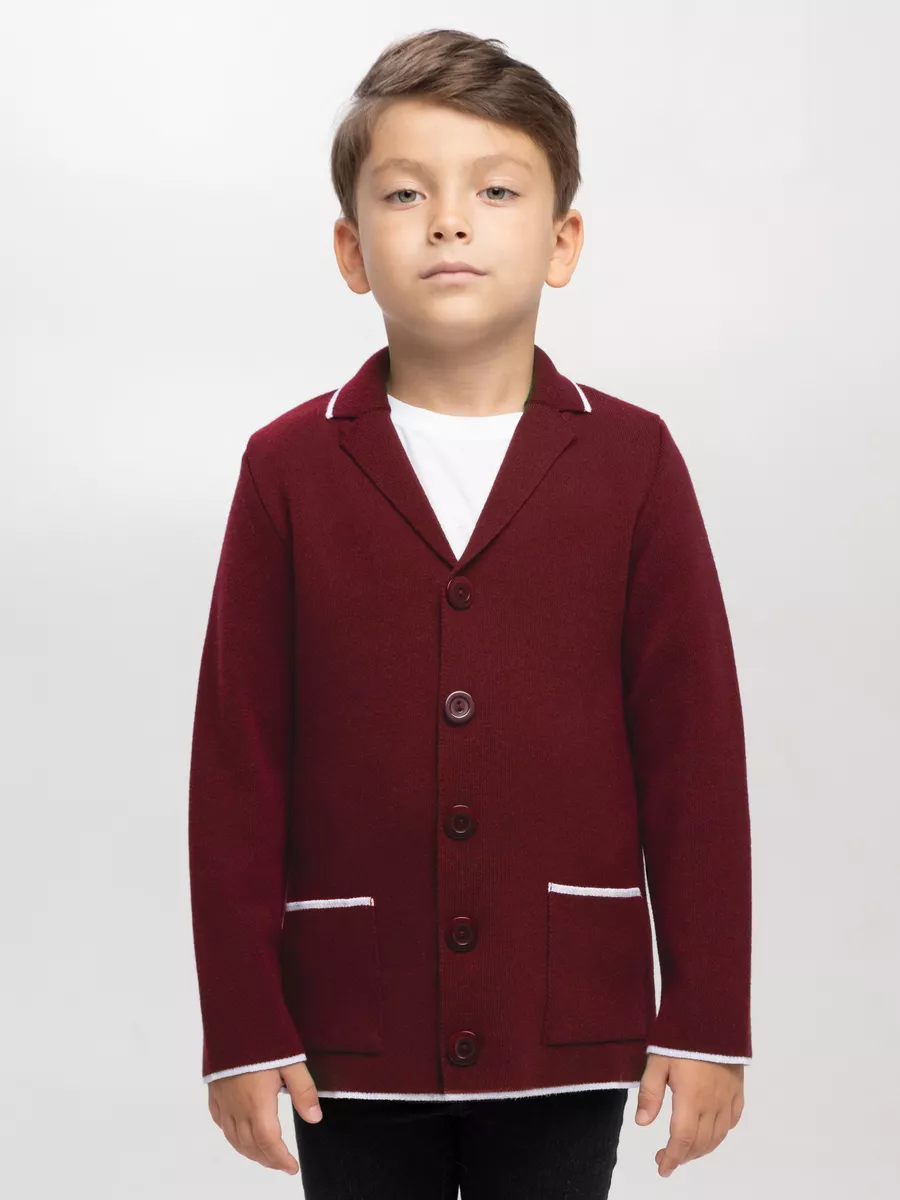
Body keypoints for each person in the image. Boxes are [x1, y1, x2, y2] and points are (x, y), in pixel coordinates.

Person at [187, 26, 752, 1198]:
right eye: (406, 194)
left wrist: (707, 1013)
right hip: (351, 1020)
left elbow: (694, 755)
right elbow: (237, 764)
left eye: (495, 191)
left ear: (562, 240)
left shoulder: (635, 461)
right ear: (352, 250)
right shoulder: (286, 468)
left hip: (568, 1016)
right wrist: (241, 1025)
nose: (450, 221)